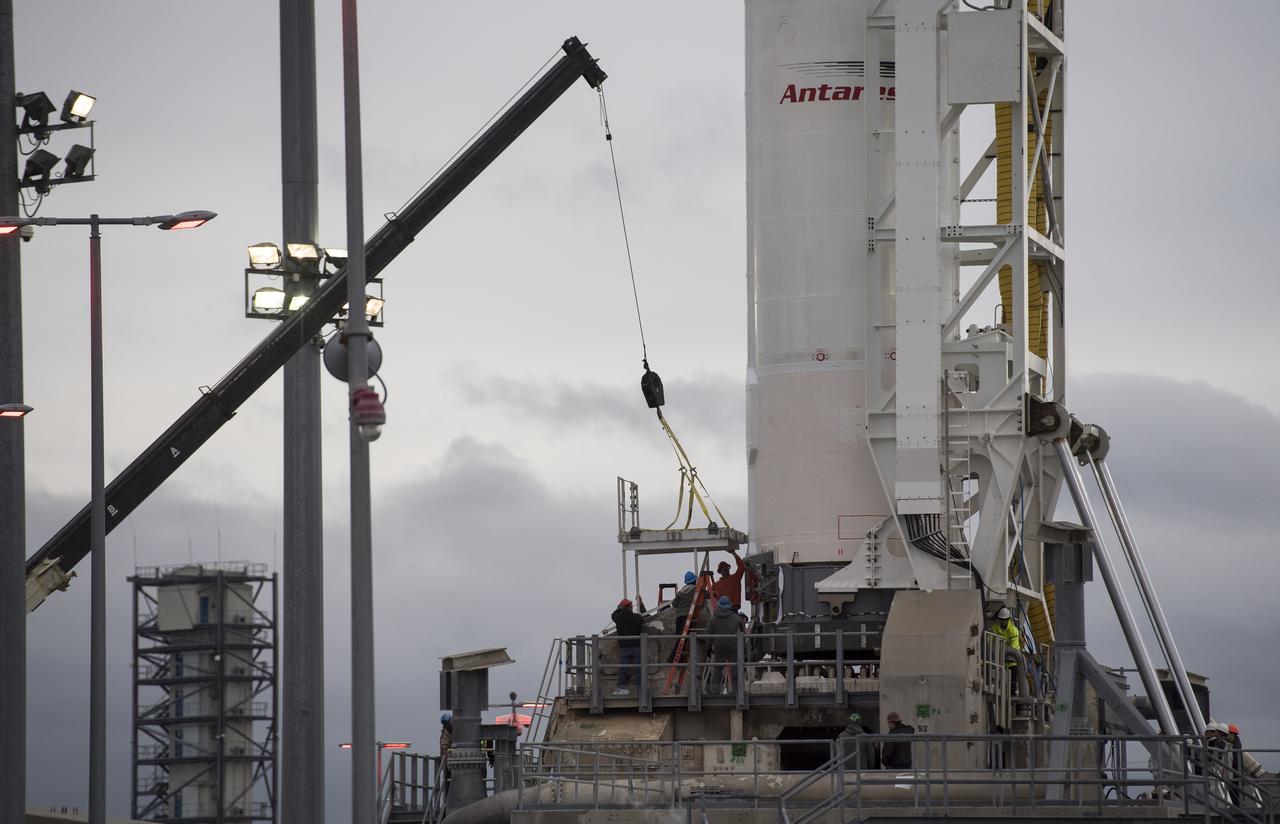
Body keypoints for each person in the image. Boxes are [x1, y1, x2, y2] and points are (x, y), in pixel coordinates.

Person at [704, 595, 746, 692]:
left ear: (719, 606)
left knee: (717, 670)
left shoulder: (713, 619)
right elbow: (743, 633)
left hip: (719, 647)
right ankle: (737, 692)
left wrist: (708, 650)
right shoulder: (736, 618)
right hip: (733, 646)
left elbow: (709, 637)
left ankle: (715, 693)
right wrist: (743, 649)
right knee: (735, 670)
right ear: (730, 606)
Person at [611, 598, 645, 694]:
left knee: (623, 669)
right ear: (630, 607)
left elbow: (613, 615)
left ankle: (621, 688)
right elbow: (644, 617)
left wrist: (619, 608)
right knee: (638, 669)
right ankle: (639, 690)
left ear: (622, 608)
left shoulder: (619, 618)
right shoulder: (638, 618)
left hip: (624, 647)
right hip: (636, 646)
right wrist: (641, 605)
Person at [990, 607, 1023, 695]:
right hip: (1000, 663)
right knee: (1000, 685)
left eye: (1004, 620)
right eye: (1001, 620)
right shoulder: (995, 628)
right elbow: (990, 641)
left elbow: (1014, 648)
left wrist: (1001, 650)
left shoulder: (1013, 631)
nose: (1002, 622)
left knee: (1012, 685)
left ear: (1008, 619)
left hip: (1012, 663)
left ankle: (1012, 699)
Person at [439, 711, 453, 794]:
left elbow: (444, 748)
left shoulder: (447, 733)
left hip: (453, 762)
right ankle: (447, 799)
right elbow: (444, 748)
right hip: (450, 763)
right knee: (448, 782)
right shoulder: (446, 734)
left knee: (450, 782)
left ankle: (447, 798)